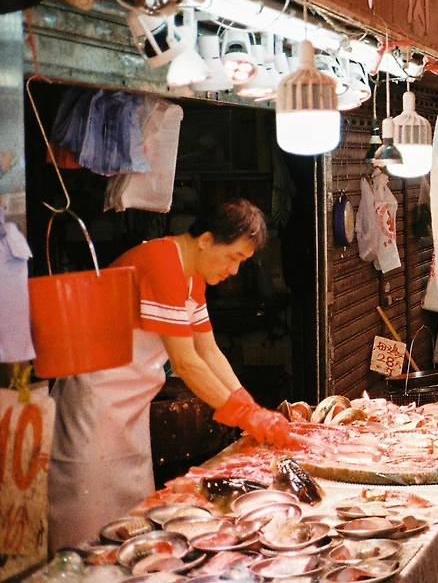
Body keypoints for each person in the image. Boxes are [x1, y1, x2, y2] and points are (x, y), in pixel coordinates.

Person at [49, 199, 294, 549]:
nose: (234, 271)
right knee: (86, 528)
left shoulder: (193, 277)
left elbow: (208, 351)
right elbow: (185, 362)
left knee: (130, 522)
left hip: (128, 411)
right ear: (206, 240)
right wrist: (245, 416)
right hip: (92, 406)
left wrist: (251, 406)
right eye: (234, 257)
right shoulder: (162, 262)